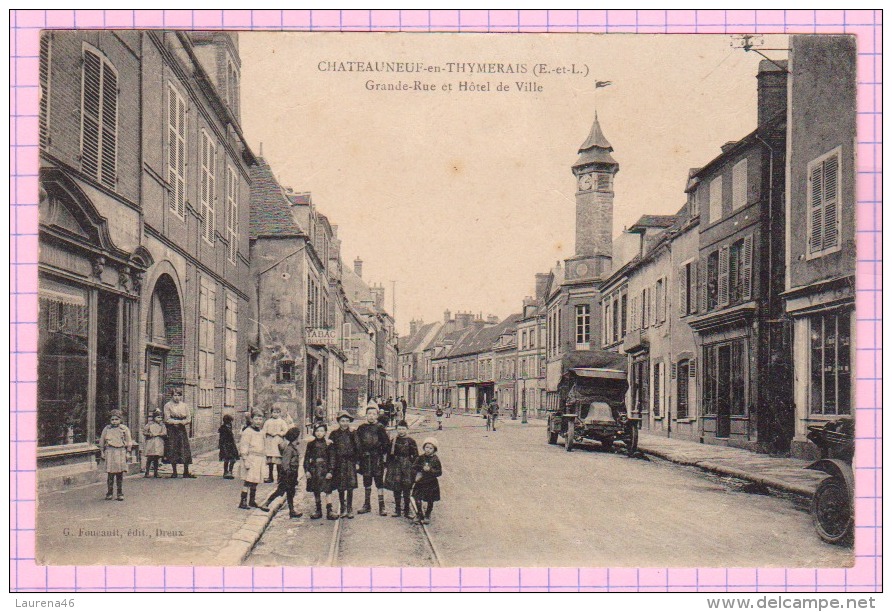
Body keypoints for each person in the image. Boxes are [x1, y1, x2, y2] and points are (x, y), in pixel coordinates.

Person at [259, 426, 303, 518]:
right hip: (287, 475)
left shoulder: (293, 448)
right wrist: (288, 475)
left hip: (292, 475)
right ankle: (265, 504)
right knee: (280, 492)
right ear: (295, 438)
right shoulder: (289, 449)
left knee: (290, 493)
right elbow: (285, 463)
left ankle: (292, 511)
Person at [355, 406, 391, 516]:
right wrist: (359, 459)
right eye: (369, 413)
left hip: (377, 459)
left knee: (379, 482)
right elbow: (358, 444)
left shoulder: (380, 428)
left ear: (377, 416)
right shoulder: (361, 428)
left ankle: (382, 506)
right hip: (365, 459)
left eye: (374, 414)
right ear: (366, 415)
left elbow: (386, 444)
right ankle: (367, 505)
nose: (371, 416)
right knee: (367, 481)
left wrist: (383, 457)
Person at [384, 420, 419, 518]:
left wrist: (413, 467)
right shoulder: (394, 441)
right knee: (396, 488)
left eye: (403, 429)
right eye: (399, 429)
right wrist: (387, 466)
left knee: (407, 488)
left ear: (407, 429)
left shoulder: (411, 441)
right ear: (396, 429)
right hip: (396, 467)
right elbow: (389, 455)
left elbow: (416, 456)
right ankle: (397, 510)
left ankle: (407, 511)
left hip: (407, 467)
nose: (401, 431)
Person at [328, 411, 360, 518]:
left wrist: (357, 462)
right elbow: (331, 450)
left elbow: (357, 448)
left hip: (350, 462)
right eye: (342, 421)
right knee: (340, 486)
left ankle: (349, 508)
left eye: (347, 421)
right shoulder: (334, 434)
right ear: (338, 422)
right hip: (339, 463)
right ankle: (342, 507)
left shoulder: (353, 433)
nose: (344, 423)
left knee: (350, 486)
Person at [304, 423, 337, 520]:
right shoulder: (310, 444)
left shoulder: (328, 444)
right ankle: (318, 510)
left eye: (321, 431)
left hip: (325, 469)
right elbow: (306, 458)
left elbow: (332, 458)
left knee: (328, 490)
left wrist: (330, 471)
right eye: (317, 431)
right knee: (316, 489)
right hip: (314, 470)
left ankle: (329, 510)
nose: (319, 433)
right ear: (314, 432)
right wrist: (307, 470)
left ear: (325, 432)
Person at [99, 409, 133, 501]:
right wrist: (102, 451)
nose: (114, 421)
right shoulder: (107, 429)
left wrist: (128, 452)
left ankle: (120, 493)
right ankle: (109, 492)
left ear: (120, 420)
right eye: (112, 419)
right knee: (110, 474)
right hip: (110, 452)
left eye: (116, 419)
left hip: (120, 452)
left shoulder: (124, 429)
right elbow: (102, 441)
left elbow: (129, 440)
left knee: (119, 474)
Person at [163, 388, 195, 478]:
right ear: (172, 396)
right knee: (173, 448)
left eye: (178, 395)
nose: (177, 397)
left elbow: (189, 418)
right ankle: (174, 471)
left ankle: (186, 471)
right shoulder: (168, 405)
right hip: (172, 429)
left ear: (181, 396)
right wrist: (177, 422)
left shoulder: (184, 405)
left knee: (184, 449)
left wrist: (184, 422)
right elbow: (167, 419)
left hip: (181, 429)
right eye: (175, 395)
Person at [237, 409, 266, 509]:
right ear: (252, 419)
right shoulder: (248, 432)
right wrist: (245, 459)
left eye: (260, 419)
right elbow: (244, 446)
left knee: (255, 480)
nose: (258, 421)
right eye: (256, 419)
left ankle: (252, 500)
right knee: (248, 481)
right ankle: (243, 501)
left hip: (259, 459)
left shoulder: (262, 432)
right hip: (251, 459)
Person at [411, 438, 442, 525]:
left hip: (431, 482)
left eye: (431, 448)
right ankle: (419, 513)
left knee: (430, 499)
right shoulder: (420, 458)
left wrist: (430, 470)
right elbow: (414, 467)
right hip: (421, 482)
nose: (428, 450)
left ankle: (428, 514)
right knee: (417, 497)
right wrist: (421, 469)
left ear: (434, 450)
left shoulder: (436, 459)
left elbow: (439, 472)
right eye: (426, 447)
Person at [262, 406, 290, 483]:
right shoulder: (268, 422)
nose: (276, 414)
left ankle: (279, 477)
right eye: (274, 412)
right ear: (271, 413)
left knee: (278, 461)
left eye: (278, 412)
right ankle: (270, 476)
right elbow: (264, 431)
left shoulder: (282, 422)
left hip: (278, 441)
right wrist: (268, 433)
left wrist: (278, 433)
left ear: (280, 413)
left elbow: (285, 430)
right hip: (269, 442)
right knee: (270, 461)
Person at [142, 409, 166, 478]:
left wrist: (160, 434)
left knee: (156, 458)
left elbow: (164, 433)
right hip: (151, 442)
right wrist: (149, 434)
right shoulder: (149, 424)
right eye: (158, 417)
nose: (160, 419)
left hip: (158, 442)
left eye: (161, 417)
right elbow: (144, 432)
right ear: (154, 418)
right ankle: (147, 472)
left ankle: (156, 472)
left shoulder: (162, 425)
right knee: (150, 458)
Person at [218, 414, 239, 479]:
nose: (231, 423)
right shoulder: (224, 428)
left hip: (231, 445)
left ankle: (229, 471)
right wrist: (222, 446)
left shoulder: (229, 427)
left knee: (232, 459)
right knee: (227, 459)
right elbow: (222, 439)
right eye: (230, 421)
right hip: (226, 446)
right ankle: (226, 472)